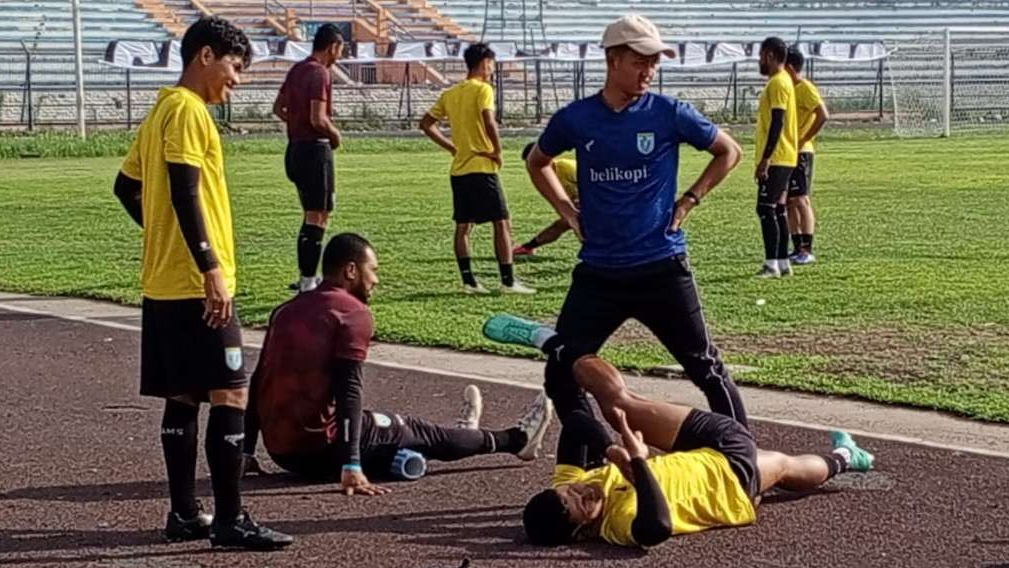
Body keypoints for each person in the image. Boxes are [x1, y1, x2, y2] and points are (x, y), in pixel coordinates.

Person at [112, 16, 293, 550]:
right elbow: (186, 191)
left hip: (164, 282)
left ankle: (185, 513)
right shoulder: (189, 111)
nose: (236, 80)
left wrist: (161, 236)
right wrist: (210, 265)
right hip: (196, 284)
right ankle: (231, 521)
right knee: (231, 392)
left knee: (184, 396)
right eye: (235, 68)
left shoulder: (160, 110)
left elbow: (126, 187)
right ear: (206, 56)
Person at [522, 15, 748, 437]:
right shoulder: (576, 118)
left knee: (706, 368)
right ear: (612, 59)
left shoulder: (669, 113)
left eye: (655, 62)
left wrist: (690, 199)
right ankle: (598, 449)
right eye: (640, 61)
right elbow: (538, 162)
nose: (649, 71)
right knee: (561, 371)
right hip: (599, 274)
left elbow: (728, 152)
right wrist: (568, 212)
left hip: (661, 266)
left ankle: (743, 460)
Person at [480, 315, 874, 548]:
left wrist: (612, 449)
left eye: (568, 490)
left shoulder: (581, 482)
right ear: (581, 529)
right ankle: (844, 459)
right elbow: (657, 529)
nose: (582, 491)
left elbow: (577, 424)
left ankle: (553, 343)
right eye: (577, 504)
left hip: (700, 446)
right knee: (785, 467)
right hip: (733, 479)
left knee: (617, 404)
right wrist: (637, 460)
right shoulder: (618, 525)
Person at [242, 233, 553, 495]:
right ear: (351, 270)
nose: (376, 280)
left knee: (403, 444)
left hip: (283, 454)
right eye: (373, 270)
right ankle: (516, 440)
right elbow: (349, 390)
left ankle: (459, 438)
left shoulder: (285, 310)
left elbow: (258, 381)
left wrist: (245, 451)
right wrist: (351, 464)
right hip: (324, 449)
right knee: (416, 430)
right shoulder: (351, 313)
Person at [419, 43, 535, 295]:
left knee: (463, 227)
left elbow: (426, 123)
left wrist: (451, 147)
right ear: (484, 63)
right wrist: (497, 150)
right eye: (492, 64)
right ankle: (507, 282)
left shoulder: (451, 93)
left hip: (459, 169)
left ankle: (469, 282)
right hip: (482, 167)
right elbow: (488, 120)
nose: (493, 69)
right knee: (502, 222)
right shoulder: (483, 89)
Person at [274, 24, 345, 292]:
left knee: (311, 215)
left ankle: (307, 276)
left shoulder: (297, 70)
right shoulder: (320, 72)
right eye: (340, 49)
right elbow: (318, 118)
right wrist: (335, 135)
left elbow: (278, 108)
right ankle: (307, 281)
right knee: (319, 215)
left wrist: (295, 123)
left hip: (294, 150)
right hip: (315, 151)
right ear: (333, 47)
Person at [754, 37, 800, 278]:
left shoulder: (778, 83)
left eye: (761, 55)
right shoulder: (783, 82)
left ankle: (771, 263)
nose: (759, 60)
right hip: (786, 156)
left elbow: (778, 121)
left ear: (770, 55)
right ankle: (783, 262)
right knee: (779, 209)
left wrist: (765, 158)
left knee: (765, 209)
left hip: (778, 157)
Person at [784, 46, 829, 265]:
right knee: (789, 201)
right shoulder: (785, 89)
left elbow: (823, 114)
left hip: (801, 152)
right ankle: (796, 246)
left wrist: (803, 139)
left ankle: (807, 249)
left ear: (790, 67)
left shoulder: (805, 88)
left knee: (801, 199)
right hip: (785, 152)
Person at [513, 142, 579, 257]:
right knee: (565, 223)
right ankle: (528, 247)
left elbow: (592, 183)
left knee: (568, 223)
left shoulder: (566, 167)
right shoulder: (543, 178)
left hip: (599, 198)